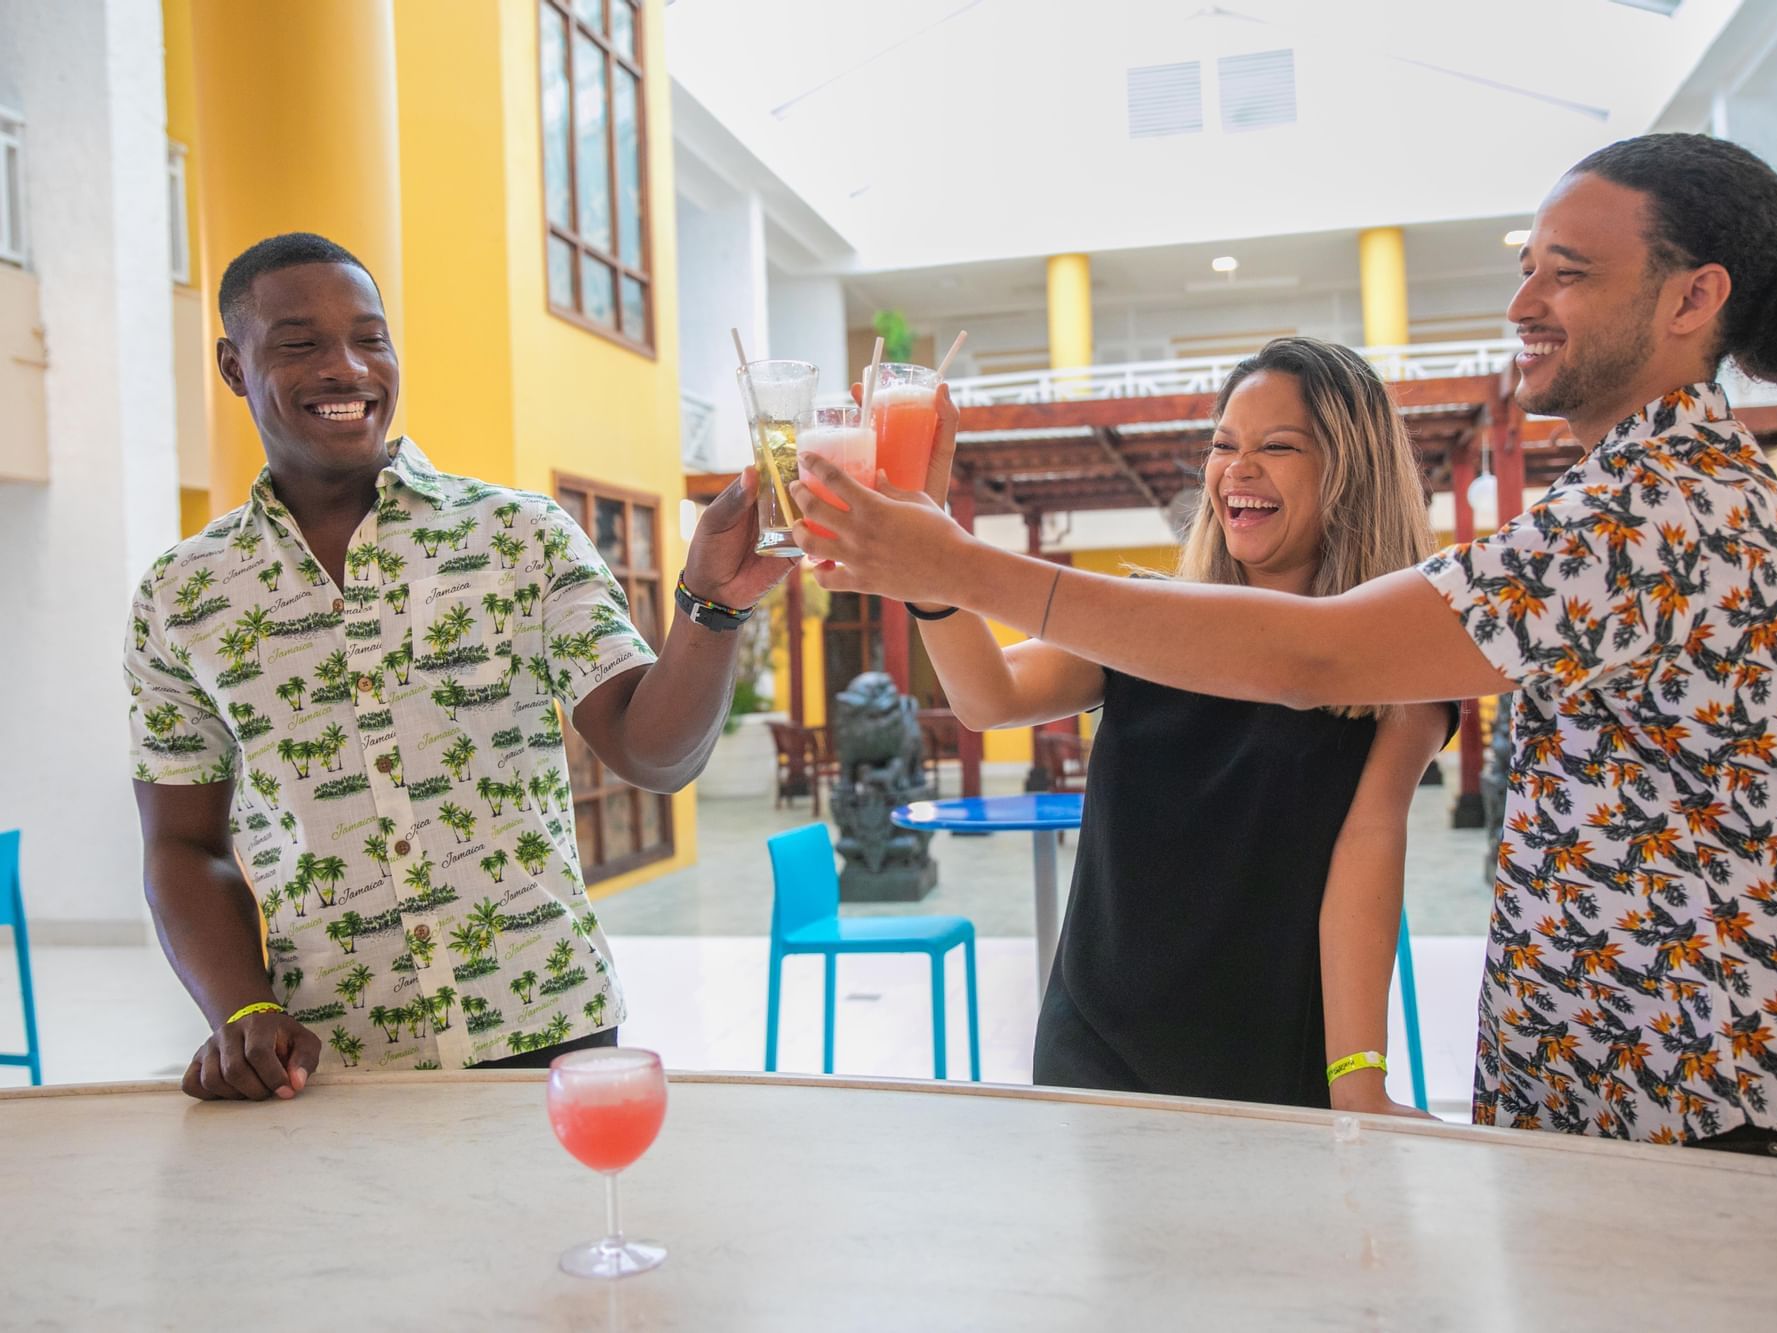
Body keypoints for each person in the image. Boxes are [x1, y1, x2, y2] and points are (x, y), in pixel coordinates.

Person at [793, 133, 1777, 1151]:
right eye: (1524, 269)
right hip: (1611, 1089)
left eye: (1565, 275)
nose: (1521, 306)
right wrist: (934, 576)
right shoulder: (1636, 494)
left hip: (1673, 1101)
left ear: (1692, 298)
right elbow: (1002, 692)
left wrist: (950, 562)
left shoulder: (1663, 504)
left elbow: (1317, 666)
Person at [129, 233, 785, 1100]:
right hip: (327, 1059)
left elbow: (653, 753)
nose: (347, 367)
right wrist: (239, 1005)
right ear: (233, 365)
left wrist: (712, 604)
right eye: (300, 343)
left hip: (551, 1029)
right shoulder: (182, 595)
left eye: (370, 337)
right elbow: (183, 842)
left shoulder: (518, 535)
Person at [889, 338, 1452, 1114]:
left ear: (1351, 469)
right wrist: (926, 565)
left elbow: (1368, 847)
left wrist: (1358, 1080)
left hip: (1267, 1057)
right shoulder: (1145, 620)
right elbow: (986, 696)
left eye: (1276, 447)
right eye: (1222, 446)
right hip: (1093, 1048)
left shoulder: (1395, 661)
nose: (1236, 469)